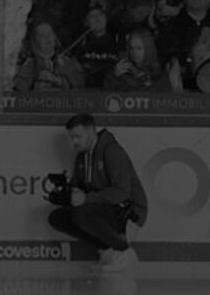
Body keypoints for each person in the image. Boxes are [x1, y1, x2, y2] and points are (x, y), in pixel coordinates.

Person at [40, 110, 145, 264]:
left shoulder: (111, 150)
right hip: (105, 208)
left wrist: (86, 198)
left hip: (129, 211)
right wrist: (64, 196)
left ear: (90, 133)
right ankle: (106, 247)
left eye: (77, 137)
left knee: (81, 214)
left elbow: (121, 192)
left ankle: (123, 248)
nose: (74, 142)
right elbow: (81, 191)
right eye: (71, 138)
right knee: (57, 217)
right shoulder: (81, 158)